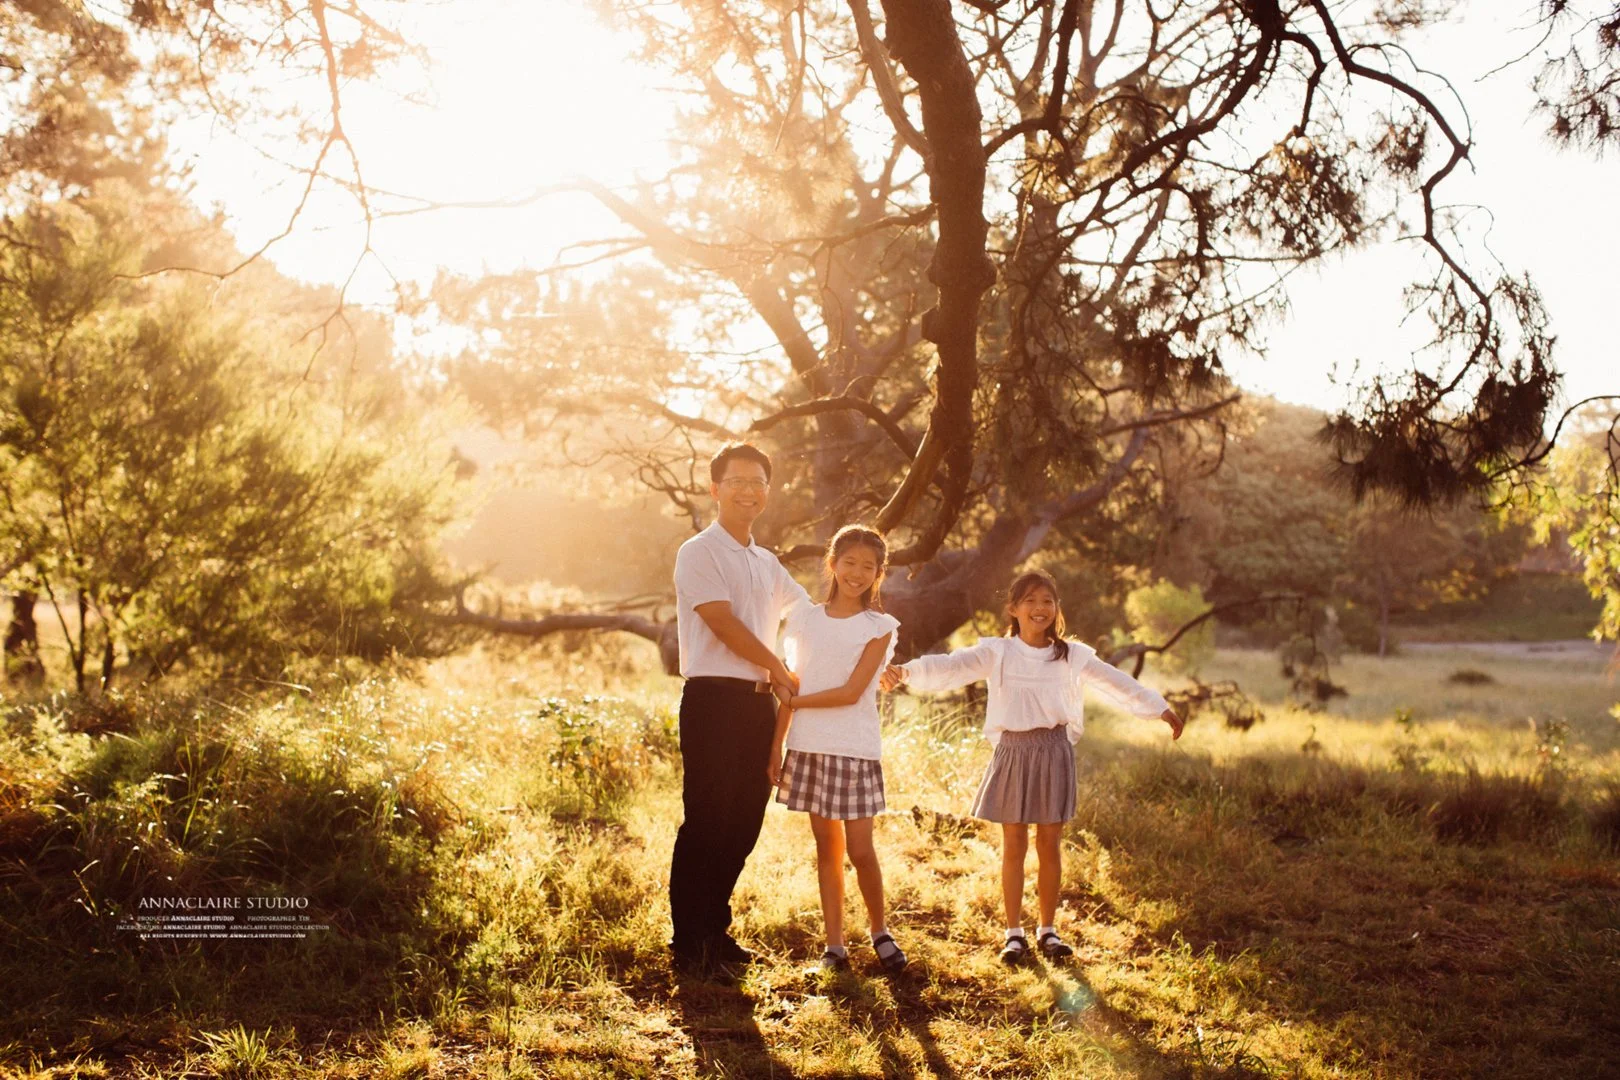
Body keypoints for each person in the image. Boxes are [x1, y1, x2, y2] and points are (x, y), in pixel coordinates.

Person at [881, 569, 1183, 965]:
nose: (1040, 609)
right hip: (1013, 751)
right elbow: (953, 666)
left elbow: (1116, 682)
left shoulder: (1073, 655)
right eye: (1031, 601)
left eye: (1048, 601)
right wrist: (906, 671)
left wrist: (1159, 708)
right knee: (1014, 845)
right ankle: (1013, 934)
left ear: (1056, 609)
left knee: (1049, 844)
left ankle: (1048, 929)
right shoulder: (999, 652)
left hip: (1054, 750)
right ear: (1013, 608)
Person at [669, 443, 811, 976]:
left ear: (767, 492)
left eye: (758, 482)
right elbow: (721, 623)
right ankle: (689, 942)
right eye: (737, 481)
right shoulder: (698, 552)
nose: (748, 490)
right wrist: (779, 667)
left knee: (745, 820)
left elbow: (808, 617)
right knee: (707, 818)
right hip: (713, 701)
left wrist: (863, 630)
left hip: (758, 709)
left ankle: (715, 929)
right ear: (715, 488)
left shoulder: (768, 563)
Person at [766, 525, 907, 974]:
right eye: (850, 563)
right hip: (808, 747)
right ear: (832, 563)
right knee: (826, 849)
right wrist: (777, 744)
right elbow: (791, 681)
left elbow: (850, 692)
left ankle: (880, 930)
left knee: (860, 850)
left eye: (869, 567)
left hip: (854, 749)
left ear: (879, 574)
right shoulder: (805, 619)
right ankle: (835, 945)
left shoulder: (880, 627)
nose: (858, 573)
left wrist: (796, 700)